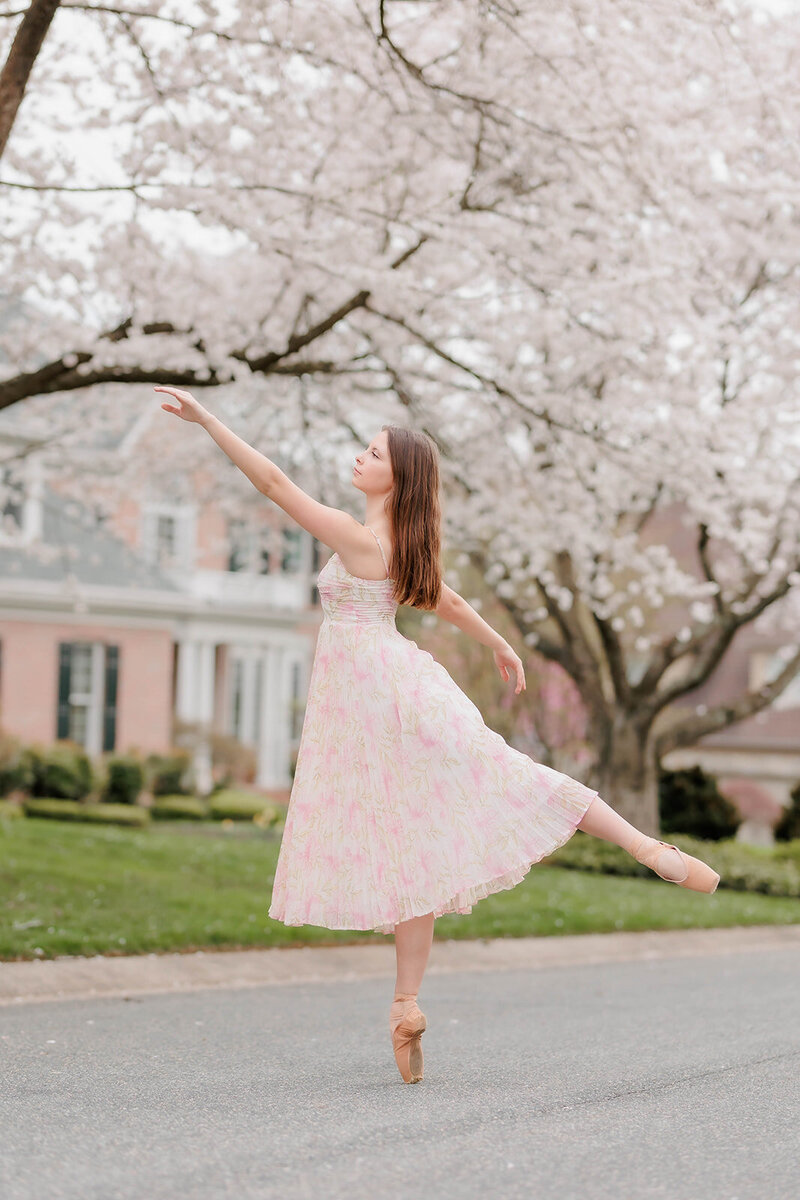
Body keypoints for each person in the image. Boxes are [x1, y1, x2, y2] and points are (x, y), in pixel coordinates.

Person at [155, 385, 721, 1085]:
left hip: (370, 703)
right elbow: (443, 597)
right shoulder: (403, 543)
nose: (359, 458)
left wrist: (208, 419)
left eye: (372, 453)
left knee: (455, 809)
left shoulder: (361, 538)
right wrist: (499, 644)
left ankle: (638, 850)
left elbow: (272, 484)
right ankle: (408, 1003)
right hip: (397, 687)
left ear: (398, 477)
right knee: (427, 830)